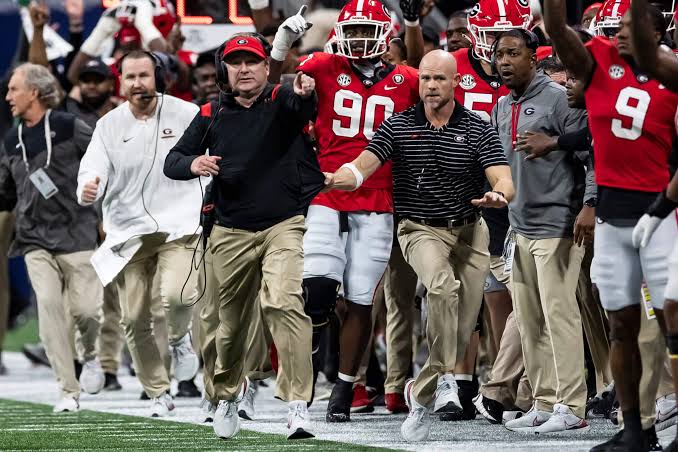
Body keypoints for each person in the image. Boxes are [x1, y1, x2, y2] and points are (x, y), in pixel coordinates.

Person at [323, 49, 514, 442]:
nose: (430, 86)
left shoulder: (477, 127)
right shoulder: (398, 125)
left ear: (456, 82)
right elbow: (361, 168)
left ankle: (420, 390)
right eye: (425, 78)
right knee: (442, 287)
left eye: (439, 79)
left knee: (461, 328)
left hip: (470, 231)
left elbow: (503, 177)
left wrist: (499, 194)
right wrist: (330, 179)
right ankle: (444, 378)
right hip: (419, 228)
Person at [268, 0, 424, 422]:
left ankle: (344, 386)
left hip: (378, 197)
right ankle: (311, 358)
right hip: (327, 190)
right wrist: (282, 48)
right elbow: (272, 87)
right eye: (351, 30)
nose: (357, 38)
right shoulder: (321, 66)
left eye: (364, 30)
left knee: (360, 299)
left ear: (383, 33)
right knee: (318, 291)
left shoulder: (408, 79)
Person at [163, 33, 324, 440]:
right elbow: (172, 160)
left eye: (251, 61)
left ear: (266, 68)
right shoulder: (210, 113)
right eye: (236, 63)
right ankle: (227, 394)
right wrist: (194, 162)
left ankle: (297, 405)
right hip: (229, 230)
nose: (244, 69)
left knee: (285, 303)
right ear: (225, 71)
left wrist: (302, 89)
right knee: (228, 328)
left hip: (282, 224)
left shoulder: (281, 101)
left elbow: (302, 103)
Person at [544, 0, 678, 449]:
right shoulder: (599, 61)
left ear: (657, 34)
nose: (619, 33)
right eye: (616, 25)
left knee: (671, 321)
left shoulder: (672, 74)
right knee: (620, 326)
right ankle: (634, 429)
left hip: (659, 215)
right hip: (611, 216)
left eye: (631, 25)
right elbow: (558, 29)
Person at [76, 50, 203, 418]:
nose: (137, 84)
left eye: (144, 76)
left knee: (178, 296)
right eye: (130, 77)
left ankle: (180, 341)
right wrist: (88, 187)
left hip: (180, 223)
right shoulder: (109, 125)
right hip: (129, 232)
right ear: (121, 81)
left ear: (158, 76)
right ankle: (158, 391)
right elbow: (92, 168)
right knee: (133, 318)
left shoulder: (186, 114)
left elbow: (213, 157)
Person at [491, 28, 593, 434]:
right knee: (531, 320)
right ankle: (544, 400)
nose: (504, 61)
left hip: (558, 226)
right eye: (500, 54)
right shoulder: (501, 106)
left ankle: (572, 405)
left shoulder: (560, 98)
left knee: (559, 317)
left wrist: (590, 204)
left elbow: (593, 155)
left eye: (514, 53)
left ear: (534, 58)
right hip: (520, 227)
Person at [1, 63, 104, 412]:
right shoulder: (10, 139)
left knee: (88, 312)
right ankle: (67, 390)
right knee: (48, 308)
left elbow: (102, 160)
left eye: (14, 89)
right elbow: (6, 191)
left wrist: (100, 196)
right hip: (33, 239)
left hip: (77, 232)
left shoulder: (67, 125)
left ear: (34, 92)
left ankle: (90, 355)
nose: (8, 97)